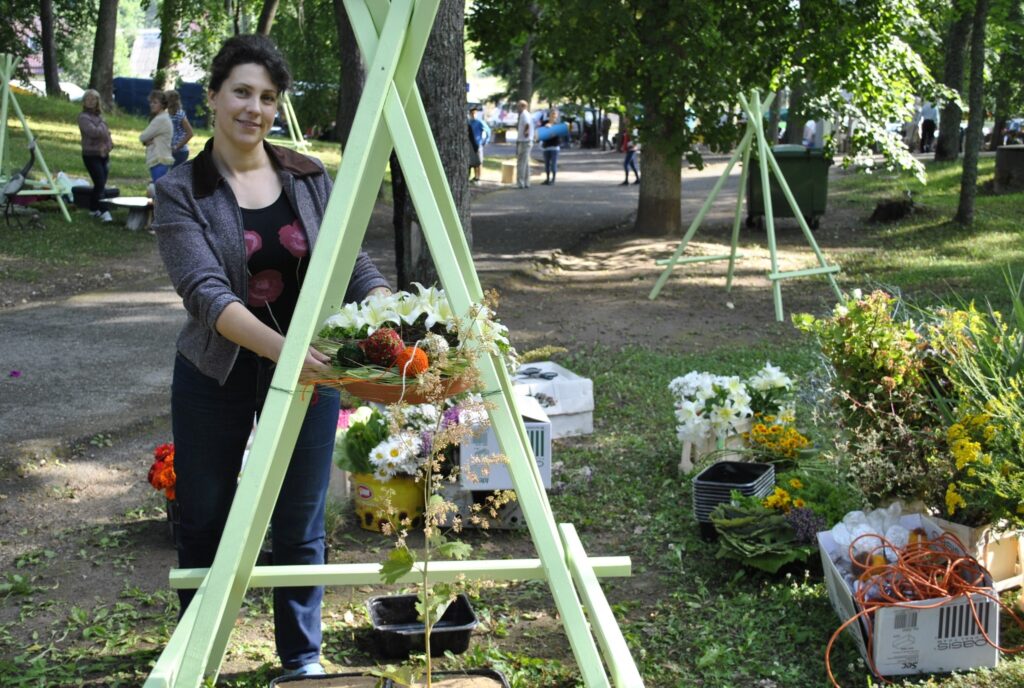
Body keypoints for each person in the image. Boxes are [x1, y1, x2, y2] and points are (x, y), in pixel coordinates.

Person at [152, 34, 390, 680]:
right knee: (203, 515)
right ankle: (197, 654)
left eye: (267, 97)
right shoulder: (180, 191)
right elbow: (206, 294)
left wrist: (385, 311)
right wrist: (288, 356)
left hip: (312, 370)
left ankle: (301, 660)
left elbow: (353, 262)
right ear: (213, 97)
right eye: (241, 92)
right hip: (215, 371)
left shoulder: (308, 175)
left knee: (300, 517)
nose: (253, 108)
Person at [77, 88, 114, 223]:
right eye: (88, 99)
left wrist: (109, 146)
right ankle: (105, 211)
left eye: (94, 99)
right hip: (90, 154)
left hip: (103, 154)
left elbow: (107, 136)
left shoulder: (99, 118)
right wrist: (103, 127)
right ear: (84, 101)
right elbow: (93, 132)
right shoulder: (83, 117)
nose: (91, 101)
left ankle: (93, 208)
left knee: (101, 183)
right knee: (99, 182)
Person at [140, 90, 174, 182]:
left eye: (155, 102)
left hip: (159, 159)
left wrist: (147, 140)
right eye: (151, 102)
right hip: (162, 158)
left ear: (162, 104)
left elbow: (143, 136)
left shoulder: (160, 119)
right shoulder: (164, 117)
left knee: (158, 190)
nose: (152, 105)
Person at [165, 90, 194, 168]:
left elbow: (190, 133)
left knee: (173, 176)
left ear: (171, 101)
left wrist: (177, 147)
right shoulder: (166, 114)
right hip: (169, 151)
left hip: (180, 152)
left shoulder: (179, 114)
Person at [515, 99, 534, 189]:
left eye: (518, 106)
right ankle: (526, 181)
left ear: (522, 106)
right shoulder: (526, 114)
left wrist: (526, 132)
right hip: (526, 141)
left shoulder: (524, 114)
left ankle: (520, 182)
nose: (517, 108)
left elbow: (527, 124)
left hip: (524, 141)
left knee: (521, 162)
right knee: (525, 162)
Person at [540, 108, 560, 185]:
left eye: (555, 114)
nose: (553, 116)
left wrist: (552, 129)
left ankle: (553, 179)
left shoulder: (558, 125)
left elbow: (558, 136)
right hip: (546, 146)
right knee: (547, 164)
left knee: (553, 164)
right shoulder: (545, 123)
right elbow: (541, 133)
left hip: (554, 147)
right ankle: (547, 178)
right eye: (552, 114)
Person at [467, 106, 484, 184]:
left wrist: (483, 141)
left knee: (478, 162)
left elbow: (487, 131)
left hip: (478, 144)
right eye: (472, 113)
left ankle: (478, 177)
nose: (473, 115)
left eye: (474, 113)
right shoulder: (469, 123)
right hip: (470, 145)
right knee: (470, 162)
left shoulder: (479, 122)